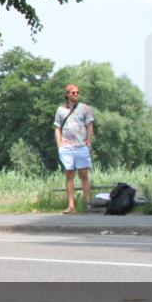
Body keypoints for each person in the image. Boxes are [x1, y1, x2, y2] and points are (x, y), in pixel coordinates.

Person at [54, 83, 94, 214]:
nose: (76, 94)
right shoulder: (60, 110)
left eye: (77, 92)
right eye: (73, 92)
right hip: (67, 146)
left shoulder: (84, 108)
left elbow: (90, 126)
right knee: (69, 174)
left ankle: (88, 203)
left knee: (84, 174)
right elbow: (57, 128)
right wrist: (59, 145)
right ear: (67, 94)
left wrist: (88, 141)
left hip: (81, 146)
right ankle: (71, 205)